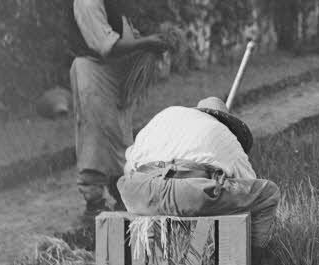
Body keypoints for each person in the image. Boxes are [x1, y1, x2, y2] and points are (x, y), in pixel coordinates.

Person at [70, 0, 169, 219]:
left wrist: (144, 42)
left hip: (112, 75)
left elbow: (125, 35)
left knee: (118, 134)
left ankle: (120, 192)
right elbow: (106, 44)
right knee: (96, 133)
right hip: (93, 71)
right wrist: (146, 43)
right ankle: (93, 201)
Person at [118, 97, 282, 256]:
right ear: (225, 121)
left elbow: (128, 167)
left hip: (136, 194)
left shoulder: (166, 116)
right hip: (187, 195)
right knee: (267, 194)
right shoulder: (224, 133)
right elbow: (248, 181)